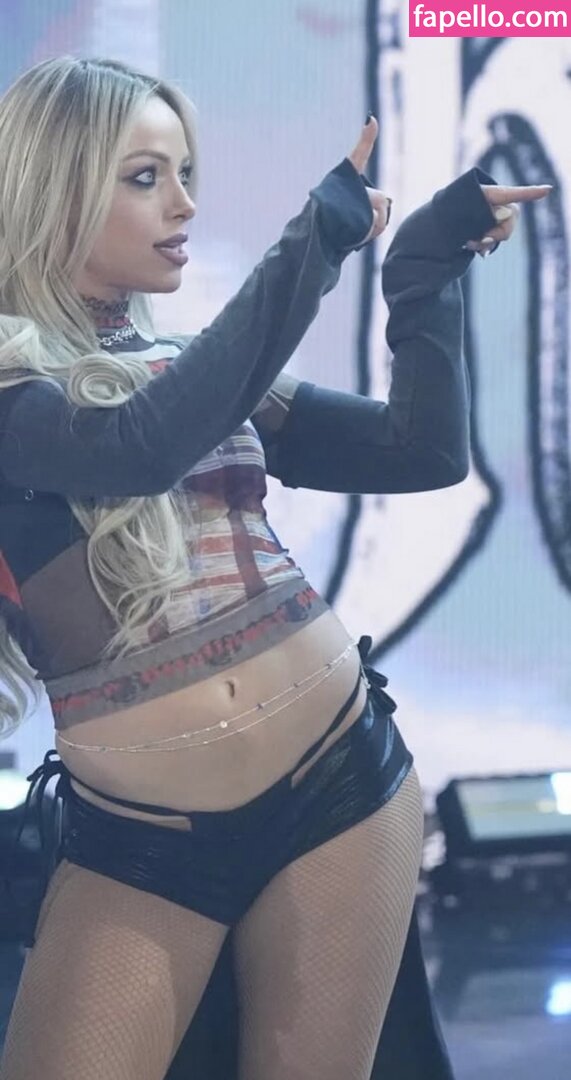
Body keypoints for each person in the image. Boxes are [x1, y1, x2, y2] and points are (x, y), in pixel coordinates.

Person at [0, 56, 549, 1080]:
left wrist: (422, 275)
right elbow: (136, 449)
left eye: (186, 172)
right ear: (54, 188)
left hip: (340, 781)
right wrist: (317, 235)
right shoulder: (12, 390)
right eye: (146, 177)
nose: (184, 203)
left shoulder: (195, 371)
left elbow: (419, 453)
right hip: (142, 838)